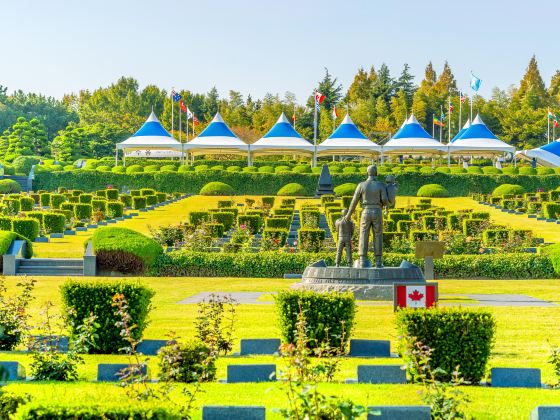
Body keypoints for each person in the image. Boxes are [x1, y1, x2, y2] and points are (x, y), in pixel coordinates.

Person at [345, 165, 396, 268]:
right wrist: (388, 204)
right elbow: (385, 200)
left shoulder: (361, 185)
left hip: (365, 212)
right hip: (377, 211)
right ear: (376, 173)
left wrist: (348, 215)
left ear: (367, 173)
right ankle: (378, 262)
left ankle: (362, 260)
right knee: (378, 235)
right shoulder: (380, 185)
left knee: (363, 234)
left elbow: (354, 201)